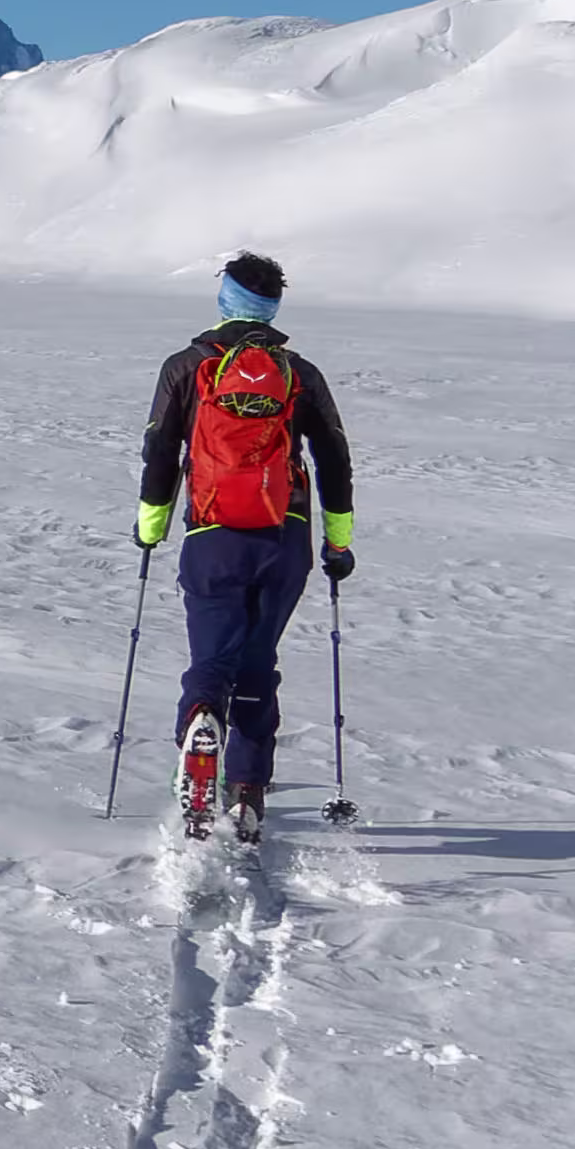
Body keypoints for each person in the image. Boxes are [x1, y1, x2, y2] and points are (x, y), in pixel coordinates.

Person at [134, 250, 358, 839]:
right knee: (259, 663)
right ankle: (248, 792)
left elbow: (161, 452)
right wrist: (339, 543)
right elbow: (334, 457)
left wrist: (151, 526)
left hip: (213, 534)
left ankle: (203, 721)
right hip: (285, 539)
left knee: (212, 656)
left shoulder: (186, 367)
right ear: (273, 306)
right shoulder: (299, 373)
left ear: (224, 299)